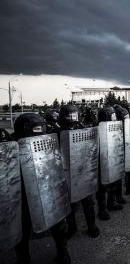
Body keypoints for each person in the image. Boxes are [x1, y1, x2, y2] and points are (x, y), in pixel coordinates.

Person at [13, 113, 71, 264]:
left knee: (57, 222)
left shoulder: (49, 139)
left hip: (47, 185)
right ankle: (24, 258)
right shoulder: (12, 144)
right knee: (22, 229)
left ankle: (62, 251)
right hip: (23, 193)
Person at [58, 105, 100, 239]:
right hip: (65, 172)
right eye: (68, 117)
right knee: (69, 203)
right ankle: (72, 227)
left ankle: (91, 225)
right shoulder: (57, 132)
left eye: (73, 116)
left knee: (87, 201)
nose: (71, 120)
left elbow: (92, 143)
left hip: (82, 169)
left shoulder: (82, 129)